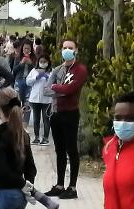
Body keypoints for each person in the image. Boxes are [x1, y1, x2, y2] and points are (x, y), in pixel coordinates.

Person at [44, 39, 88, 200]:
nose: (67, 50)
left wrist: (56, 87)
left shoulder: (80, 70)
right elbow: (45, 90)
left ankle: (72, 187)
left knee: (71, 149)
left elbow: (71, 89)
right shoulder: (57, 69)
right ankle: (59, 184)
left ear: (76, 50)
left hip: (70, 113)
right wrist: (59, 90)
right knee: (59, 150)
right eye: (64, 48)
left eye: (70, 48)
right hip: (56, 112)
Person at [26, 54, 53, 145]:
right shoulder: (34, 71)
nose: (43, 63)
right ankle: (36, 137)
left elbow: (55, 83)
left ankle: (45, 138)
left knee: (46, 119)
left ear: (48, 62)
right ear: (38, 62)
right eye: (41, 62)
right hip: (35, 99)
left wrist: (47, 77)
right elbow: (28, 82)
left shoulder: (52, 71)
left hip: (47, 100)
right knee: (36, 119)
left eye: (45, 62)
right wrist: (36, 77)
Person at [12, 40, 37, 124]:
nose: (26, 50)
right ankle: (17, 119)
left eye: (28, 48)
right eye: (25, 48)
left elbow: (37, 70)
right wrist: (21, 64)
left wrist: (31, 64)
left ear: (31, 49)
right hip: (19, 81)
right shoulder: (17, 57)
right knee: (17, 101)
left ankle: (25, 122)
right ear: (22, 48)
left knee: (27, 102)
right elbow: (14, 71)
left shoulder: (34, 58)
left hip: (29, 82)